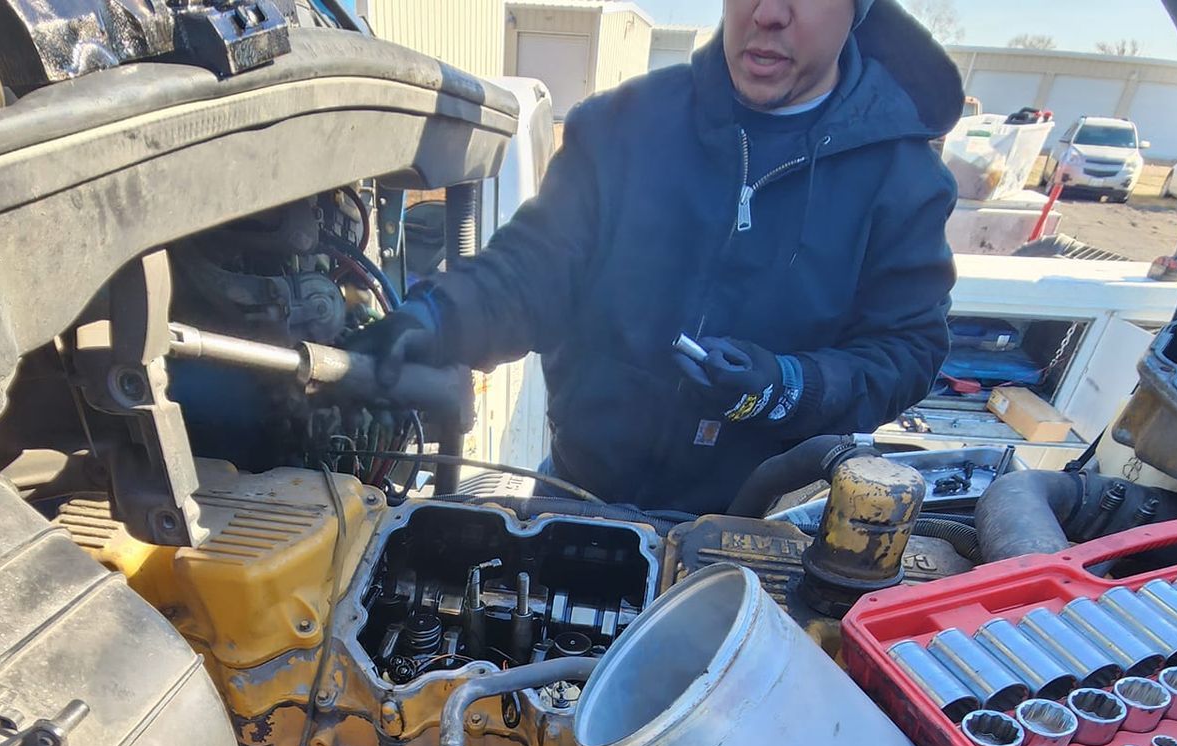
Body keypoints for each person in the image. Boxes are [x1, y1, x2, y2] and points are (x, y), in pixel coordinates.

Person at [353, 0, 963, 515]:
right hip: (577, 497)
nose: (767, 14)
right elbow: (534, 270)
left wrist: (786, 386)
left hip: (753, 527)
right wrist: (437, 319)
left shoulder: (903, 179)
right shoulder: (623, 125)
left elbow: (906, 349)